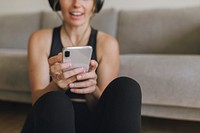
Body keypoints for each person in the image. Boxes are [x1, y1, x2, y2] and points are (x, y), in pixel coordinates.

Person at [21, 0, 142, 133]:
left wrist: (91, 88)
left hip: (92, 123)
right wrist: (56, 85)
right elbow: (36, 102)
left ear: (96, 4)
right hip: (51, 119)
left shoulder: (108, 43)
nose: (77, 3)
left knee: (128, 87)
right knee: (57, 101)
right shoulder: (39, 39)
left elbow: (107, 106)